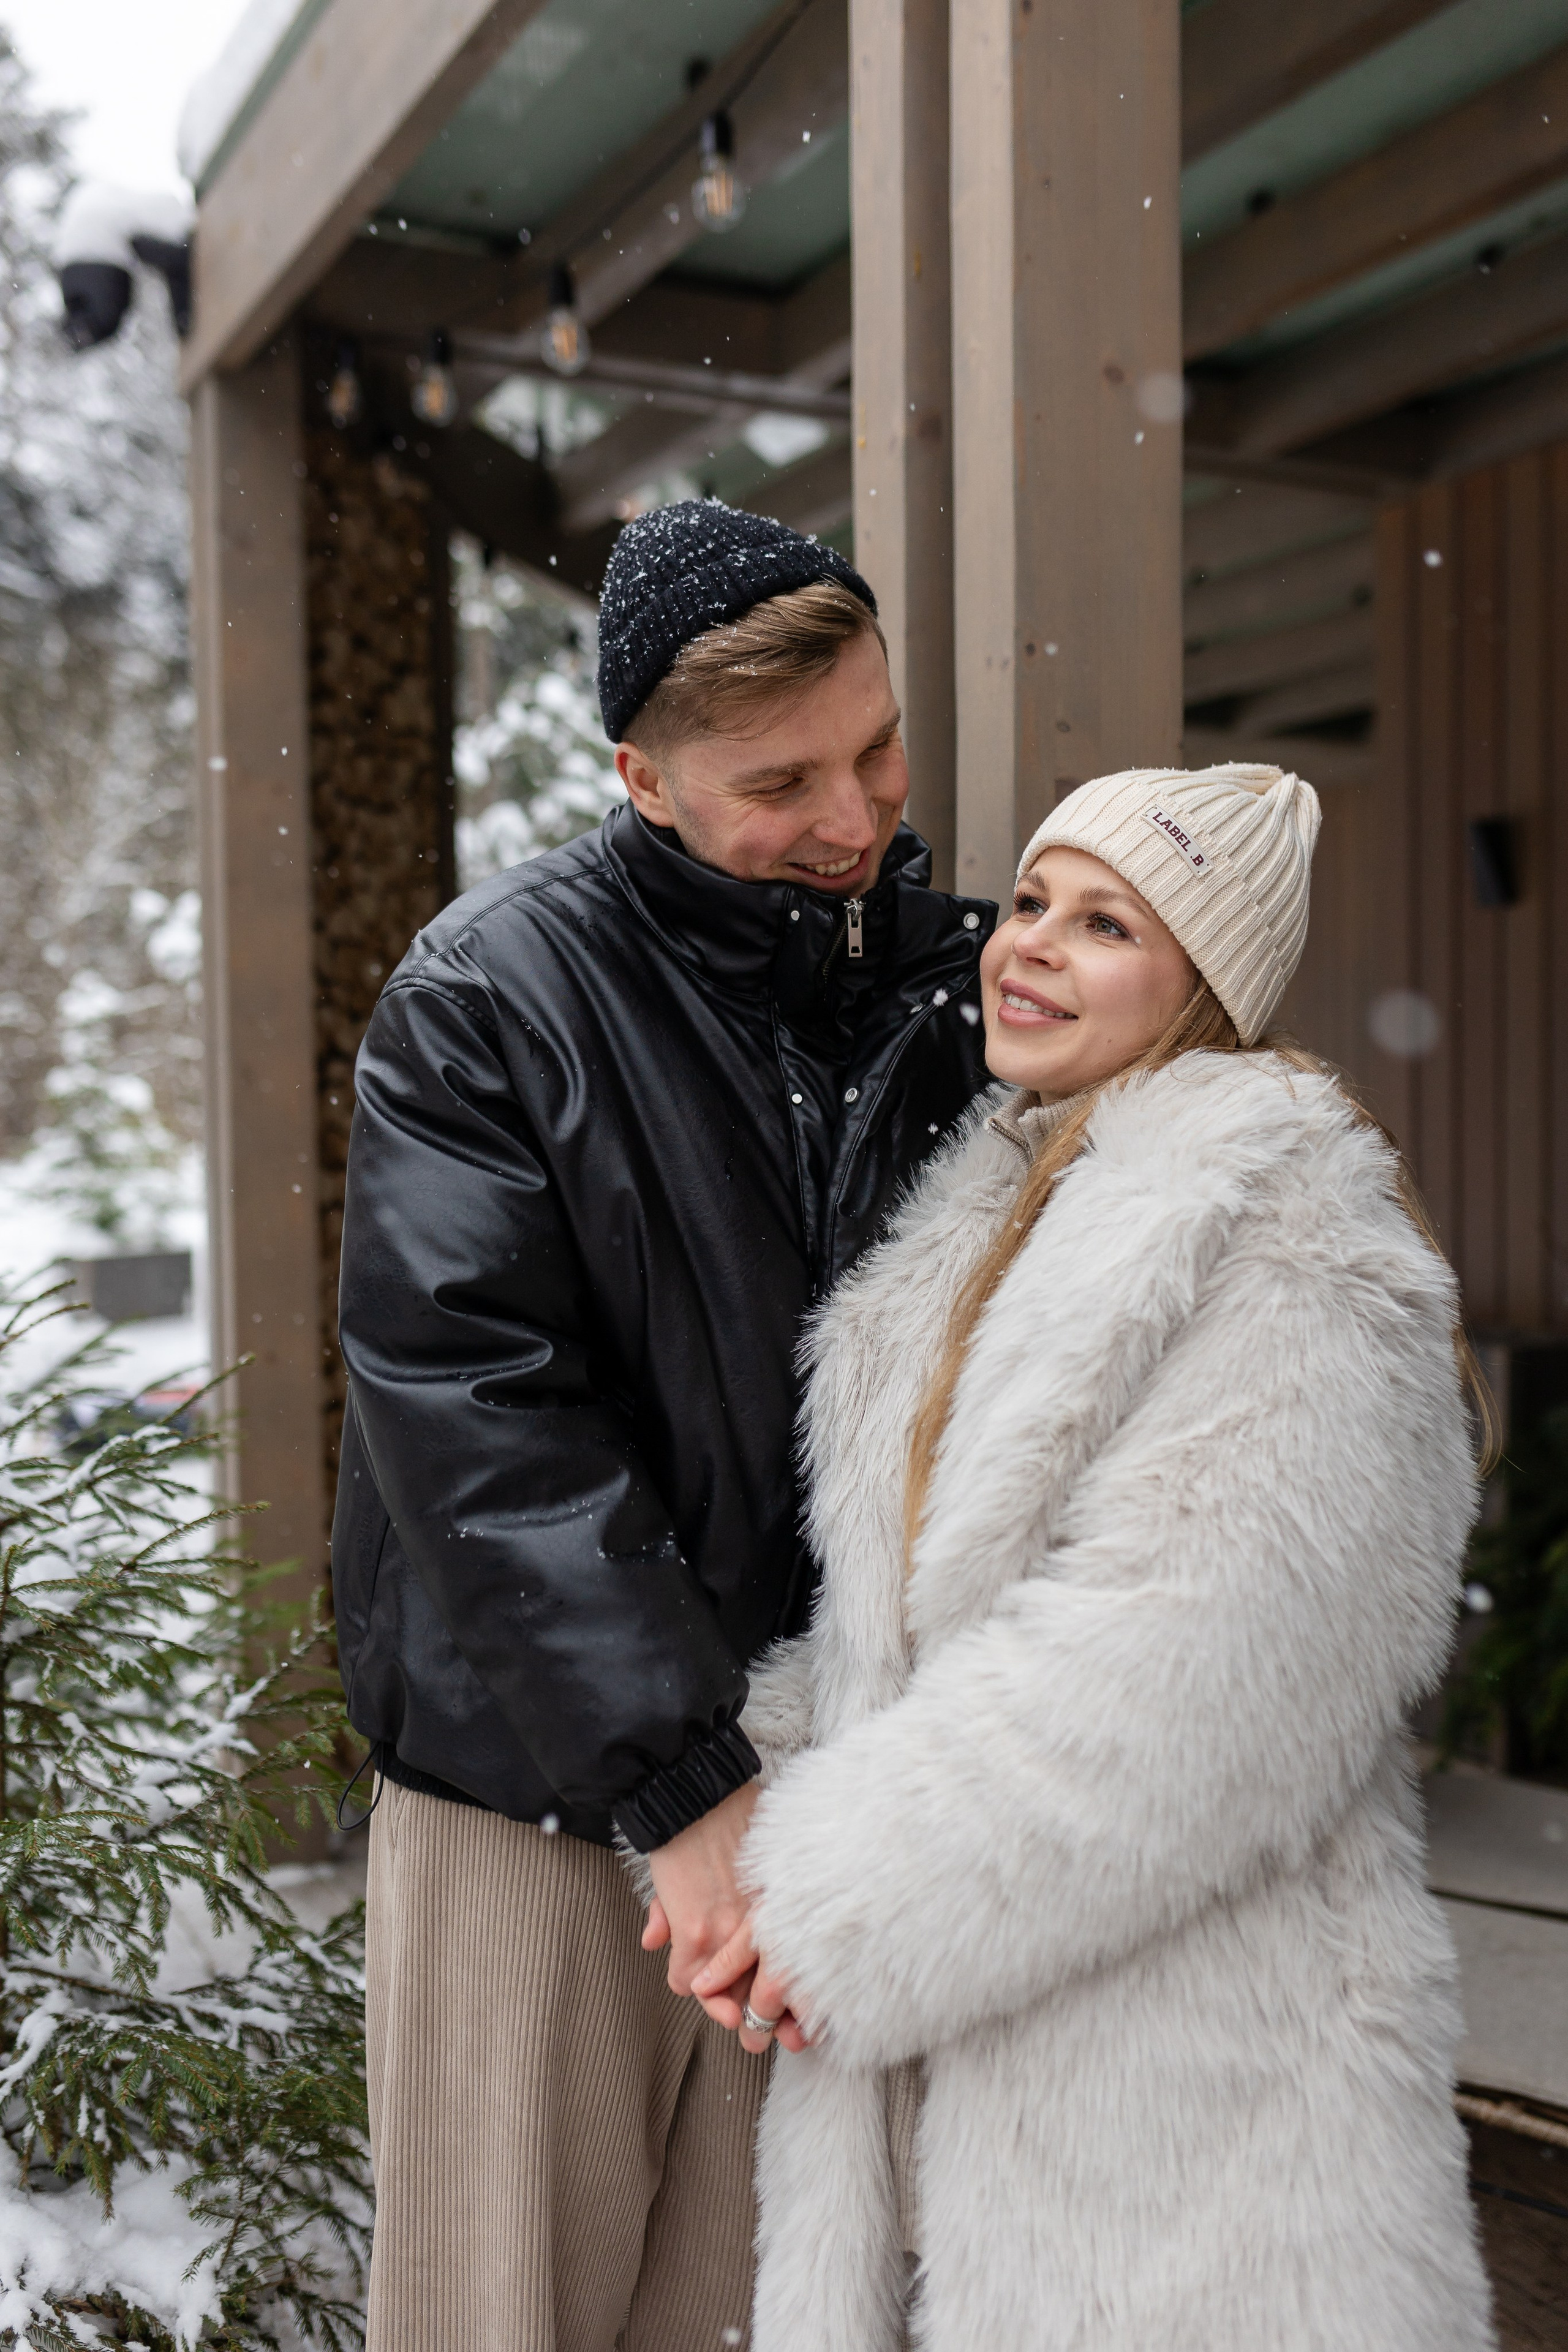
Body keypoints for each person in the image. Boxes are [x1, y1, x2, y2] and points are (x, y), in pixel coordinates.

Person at [693, 763, 1498, 2352]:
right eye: (1039, 900)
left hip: (1200, 2100)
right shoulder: (1007, 1202)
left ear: (1205, 988)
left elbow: (1196, 1682)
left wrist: (821, 1900)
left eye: (1109, 921)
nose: (1032, 943)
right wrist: (728, 1795)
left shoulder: (1298, 1243)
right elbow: (910, 1634)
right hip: (975, 2059)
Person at [330, 499, 994, 2352]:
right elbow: (472, 1404)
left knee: (755, 2321)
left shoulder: (954, 991)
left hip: (825, 1796)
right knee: (505, 2319)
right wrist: (682, 1781)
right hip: (540, 1806)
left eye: (874, 747)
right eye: (781, 782)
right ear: (641, 775)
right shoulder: (489, 1001)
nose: (856, 820)